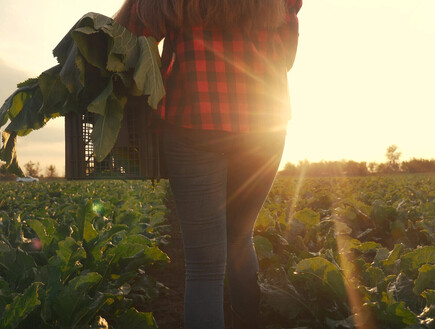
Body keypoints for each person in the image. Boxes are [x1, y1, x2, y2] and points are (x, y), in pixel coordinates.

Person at [115, 1, 302, 328]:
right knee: (241, 236)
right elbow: (286, 57)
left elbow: (127, 39)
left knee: (204, 268)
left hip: (194, 120)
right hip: (264, 124)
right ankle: (249, 321)